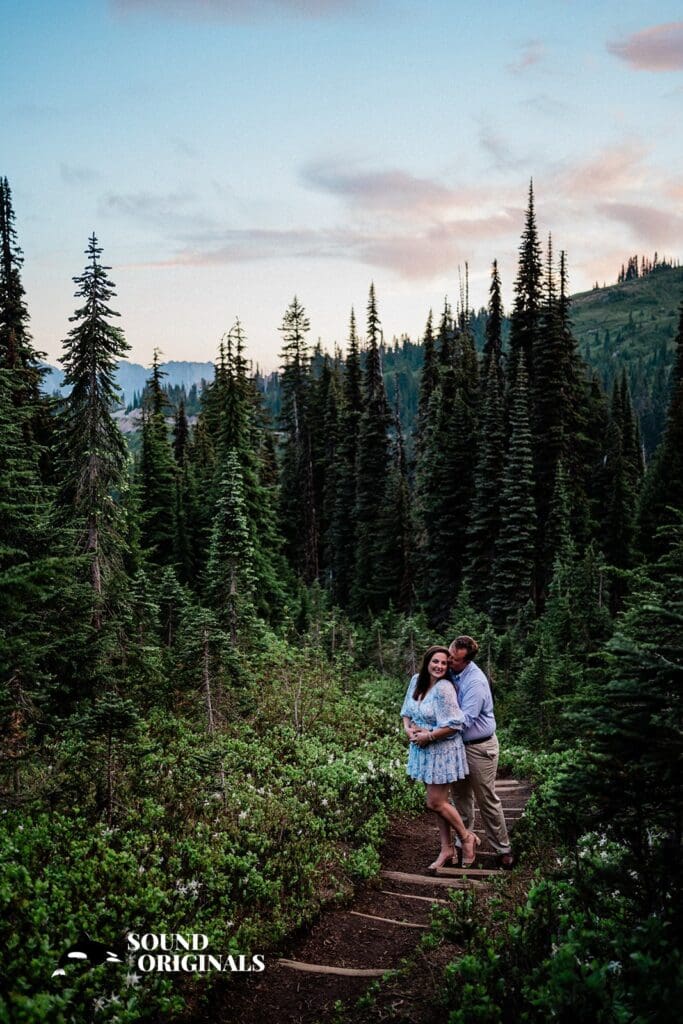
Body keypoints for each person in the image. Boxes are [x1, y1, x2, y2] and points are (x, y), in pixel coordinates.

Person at [401, 645, 481, 870]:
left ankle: (467, 838)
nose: (439, 666)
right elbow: (406, 712)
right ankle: (447, 849)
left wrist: (429, 736)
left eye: (445, 663)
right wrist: (409, 730)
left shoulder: (445, 688)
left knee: (435, 801)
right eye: (436, 661)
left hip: (442, 750)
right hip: (422, 749)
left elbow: (455, 725)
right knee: (439, 803)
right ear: (427, 661)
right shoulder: (417, 680)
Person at [448, 636, 514, 869]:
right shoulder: (453, 672)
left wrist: (433, 732)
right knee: (460, 797)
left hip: (479, 747)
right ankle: (464, 841)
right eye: (449, 654)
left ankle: (503, 848)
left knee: (486, 798)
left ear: (466, 661)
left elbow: (465, 719)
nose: (449, 661)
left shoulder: (475, 682)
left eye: (454, 660)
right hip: (458, 746)